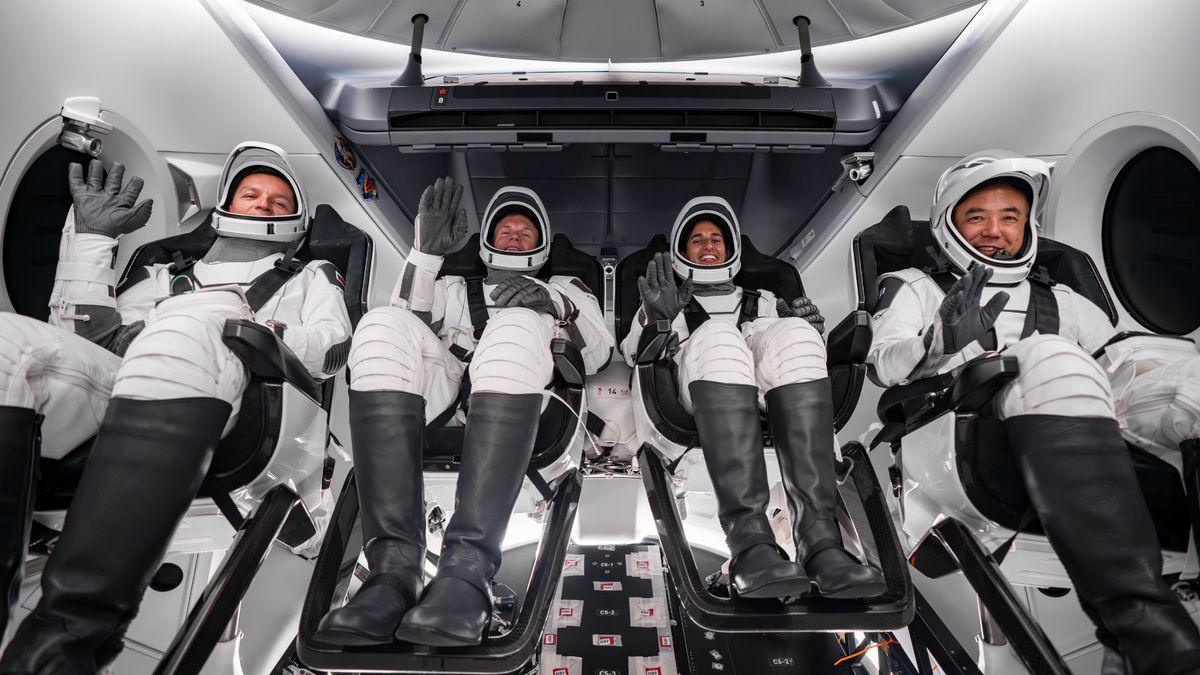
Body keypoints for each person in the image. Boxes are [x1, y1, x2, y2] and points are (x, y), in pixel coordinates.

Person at [0, 143, 352, 672]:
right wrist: (91, 244)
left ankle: (64, 646)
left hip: (253, 403)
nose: (262, 204)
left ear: (296, 220)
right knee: (11, 346)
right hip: (134, 381)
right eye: (251, 194)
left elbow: (330, 346)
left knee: (191, 325)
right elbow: (90, 338)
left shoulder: (310, 275)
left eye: (278, 202)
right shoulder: (163, 266)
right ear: (224, 204)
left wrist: (235, 323)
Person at [867, 149, 1200, 675]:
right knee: (1049, 353)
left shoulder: (1065, 299)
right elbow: (884, 364)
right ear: (949, 224)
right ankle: (1139, 629)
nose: (994, 231)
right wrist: (938, 341)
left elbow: (1124, 365)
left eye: (1010, 218)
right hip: (955, 431)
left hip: (1083, 420)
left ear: (1029, 228)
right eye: (976, 217)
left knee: (1183, 374)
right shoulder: (916, 287)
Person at [315, 177, 612, 647]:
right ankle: (394, 572)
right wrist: (425, 255)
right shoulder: (453, 286)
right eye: (505, 230)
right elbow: (403, 329)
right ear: (488, 240)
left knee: (515, 323)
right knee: (380, 324)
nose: (514, 237)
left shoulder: (565, 287)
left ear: (542, 244)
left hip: (526, 411)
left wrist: (554, 304)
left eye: (525, 232)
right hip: (444, 401)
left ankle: (467, 573)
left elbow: (596, 355)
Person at [620, 197, 886, 600]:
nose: (709, 245)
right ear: (682, 251)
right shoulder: (666, 298)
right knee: (717, 335)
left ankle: (820, 542)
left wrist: (810, 331)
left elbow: (786, 358)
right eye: (697, 240)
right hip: (693, 395)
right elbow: (631, 353)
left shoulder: (762, 298)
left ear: (730, 250)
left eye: (717, 239)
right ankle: (749, 545)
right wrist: (655, 318)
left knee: (794, 334)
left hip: (766, 397)